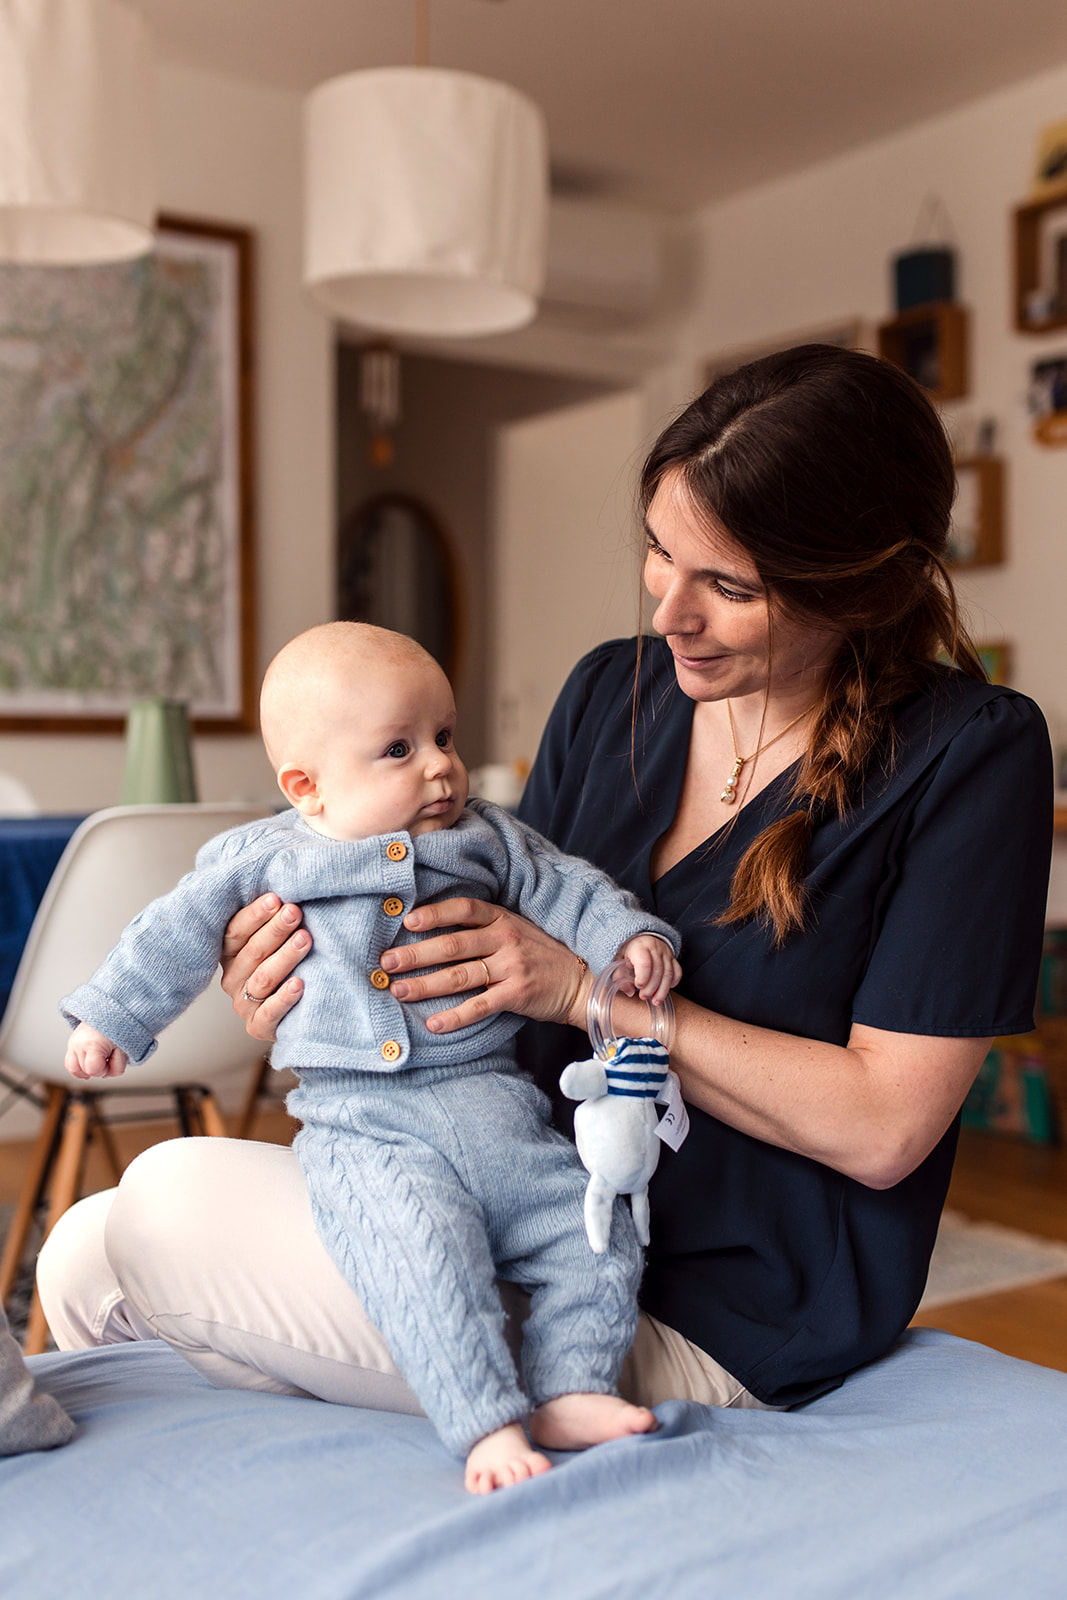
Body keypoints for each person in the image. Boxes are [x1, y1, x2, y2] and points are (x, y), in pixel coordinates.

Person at [40, 345, 1052, 1447]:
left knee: (157, 1207)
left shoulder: (968, 754)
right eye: (659, 557)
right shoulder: (610, 694)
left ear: (856, 583)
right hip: (505, 1206)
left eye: (727, 585)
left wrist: (588, 993)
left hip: (695, 1304)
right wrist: (298, 975)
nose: (670, 614)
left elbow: (884, 1126)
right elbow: (455, 951)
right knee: (86, 1241)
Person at [59, 623, 681, 1493]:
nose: (439, 767)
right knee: (426, 1256)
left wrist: (626, 943)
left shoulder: (489, 836)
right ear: (306, 787)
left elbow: (569, 888)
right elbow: (173, 930)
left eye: (445, 737)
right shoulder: (269, 854)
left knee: (596, 1231)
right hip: (367, 1125)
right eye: (398, 748)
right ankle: (486, 1421)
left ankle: (573, 1384)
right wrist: (114, 1019)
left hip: (498, 1108)